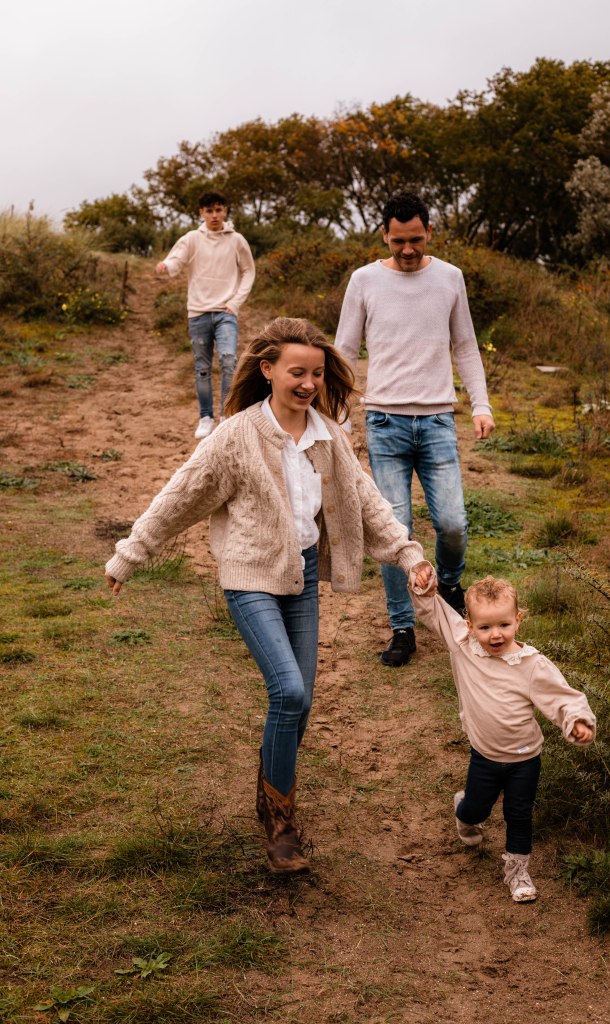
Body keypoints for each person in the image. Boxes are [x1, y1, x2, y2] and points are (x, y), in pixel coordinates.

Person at [104, 317, 424, 874]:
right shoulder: (237, 436)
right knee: (289, 692)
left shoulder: (328, 436)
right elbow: (181, 495)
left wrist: (408, 553)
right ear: (268, 370)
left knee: (300, 706)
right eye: (297, 372)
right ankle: (281, 825)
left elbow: (367, 499)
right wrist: (132, 552)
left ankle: (269, 788)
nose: (309, 383)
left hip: (301, 575)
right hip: (250, 576)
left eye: (317, 374)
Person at [335, 190, 495, 668]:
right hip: (384, 422)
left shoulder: (449, 277)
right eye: (399, 240)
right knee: (394, 532)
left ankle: (449, 584)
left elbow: (465, 346)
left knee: (453, 523)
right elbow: (344, 352)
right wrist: (338, 417)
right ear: (384, 235)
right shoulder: (364, 280)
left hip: (438, 420)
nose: (408, 249)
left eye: (416, 240)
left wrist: (481, 405)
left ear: (429, 232)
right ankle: (402, 626)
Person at [408, 566, 596, 902]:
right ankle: (464, 809)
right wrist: (424, 587)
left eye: (504, 625)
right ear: (469, 625)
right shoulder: (463, 645)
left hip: (526, 758)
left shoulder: (531, 664)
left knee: (519, 815)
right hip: (485, 756)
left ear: (518, 620)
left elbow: (561, 696)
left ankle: (518, 873)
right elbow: (433, 611)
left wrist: (577, 720)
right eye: (485, 627)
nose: (495, 635)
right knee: (476, 811)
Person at [156, 190, 256, 440]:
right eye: (209, 210)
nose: (214, 215)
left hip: (225, 313)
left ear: (225, 211)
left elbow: (249, 271)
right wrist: (166, 266)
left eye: (218, 210)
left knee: (229, 360)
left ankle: (226, 416)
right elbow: (176, 260)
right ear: (202, 212)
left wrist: (235, 302)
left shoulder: (236, 240)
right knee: (202, 368)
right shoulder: (192, 238)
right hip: (198, 313)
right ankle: (206, 417)